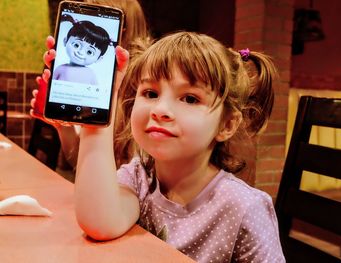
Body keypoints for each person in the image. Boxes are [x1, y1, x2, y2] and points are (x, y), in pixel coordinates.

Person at [73, 31, 286, 262]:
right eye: (150, 93)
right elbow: (101, 222)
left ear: (227, 124)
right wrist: (97, 111)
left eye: (190, 99)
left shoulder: (244, 208)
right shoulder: (139, 177)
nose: (160, 109)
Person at [31, 0, 150, 169]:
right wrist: (62, 126)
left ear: (122, 30)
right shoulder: (91, 84)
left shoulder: (145, 85)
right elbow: (78, 162)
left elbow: (134, 177)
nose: (80, 52)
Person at [52, 14, 115, 85]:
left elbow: (96, 92)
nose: (80, 52)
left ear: (99, 59)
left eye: (89, 52)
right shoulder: (60, 69)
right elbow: (50, 84)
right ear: (65, 41)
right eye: (76, 45)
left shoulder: (91, 74)